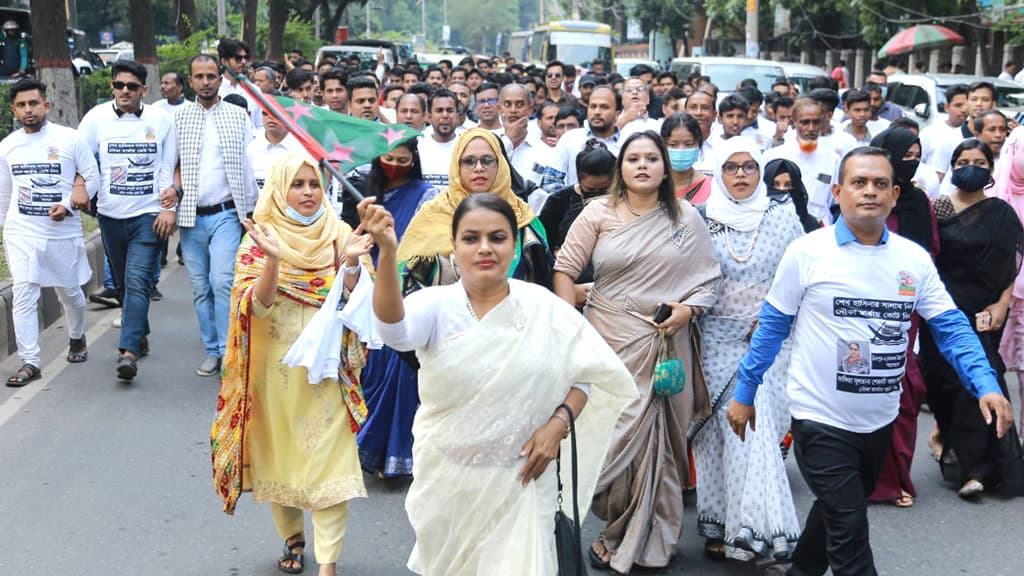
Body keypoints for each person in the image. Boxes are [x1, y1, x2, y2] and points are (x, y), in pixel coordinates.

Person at [727, 146, 1014, 575]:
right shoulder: (807, 253)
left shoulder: (912, 260)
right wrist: (745, 392)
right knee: (850, 534)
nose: (870, 192)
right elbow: (771, 327)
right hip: (819, 420)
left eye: (881, 184)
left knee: (834, 513)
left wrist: (986, 384)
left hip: (879, 419)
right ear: (839, 192)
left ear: (895, 195)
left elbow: (952, 328)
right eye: (859, 183)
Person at [365, 192, 636, 575]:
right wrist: (389, 254)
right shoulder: (435, 305)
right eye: (471, 238)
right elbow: (394, 331)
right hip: (450, 487)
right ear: (454, 247)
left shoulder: (543, 307)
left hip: (524, 485)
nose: (484, 249)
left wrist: (556, 427)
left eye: (497, 237)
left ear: (514, 246)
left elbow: (589, 377)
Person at [553, 131, 722, 573]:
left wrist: (686, 310)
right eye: (633, 159)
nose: (642, 166)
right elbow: (565, 270)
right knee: (610, 441)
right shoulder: (598, 213)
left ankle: (648, 539)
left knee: (664, 443)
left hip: (666, 341)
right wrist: (572, 323)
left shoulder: (686, 217)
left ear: (666, 167)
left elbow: (708, 279)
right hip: (607, 338)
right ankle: (616, 523)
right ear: (621, 168)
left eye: (652, 158)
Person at [211, 155, 373, 576]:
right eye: (297, 184)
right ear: (281, 190)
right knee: (279, 458)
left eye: (313, 184)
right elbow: (255, 309)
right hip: (275, 373)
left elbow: (358, 306)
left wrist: (352, 264)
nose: (306, 193)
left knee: (330, 462)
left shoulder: (341, 235)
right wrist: (273, 260)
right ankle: (294, 537)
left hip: (328, 371)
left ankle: (328, 562)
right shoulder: (261, 237)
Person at [690, 137, 804, 563]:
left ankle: (755, 529)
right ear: (717, 174)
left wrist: (773, 317)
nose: (741, 175)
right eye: (731, 167)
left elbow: (797, 274)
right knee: (717, 436)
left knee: (754, 434)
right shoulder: (700, 219)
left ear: (760, 173)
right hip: (714, 336)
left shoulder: (783, 215)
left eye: (749, 167)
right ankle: (720, 522)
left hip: (767, 339)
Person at [919, 139, 1024, 499]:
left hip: (984, 314)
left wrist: (1002, 303)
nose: (971, 166)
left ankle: (976, 468)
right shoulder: (938, 210)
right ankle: (949, 441)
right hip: (941, 311)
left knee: (979, 382)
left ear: (991, 169)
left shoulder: (1001, 212)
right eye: (963, 161)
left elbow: (1012, 264)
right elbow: (924, 261)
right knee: (943, 385)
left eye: (979, 161)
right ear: (951, 166)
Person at [78, 60, 179, 381]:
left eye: (131, 87)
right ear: (112, 87)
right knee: (122, 284)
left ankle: (128, 352)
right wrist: (81, 189)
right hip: (109, 215)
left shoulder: (161, 121)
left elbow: (167, 166)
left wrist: (168, 209)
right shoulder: (95, 119)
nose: (125, 91)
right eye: (119, 85)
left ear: (143, 90)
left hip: (148, 215)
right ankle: (140, 334)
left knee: (137, 282)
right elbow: (81, 159)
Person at [0, 78, 99, 385]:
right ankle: (30, 361)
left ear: (46, 105)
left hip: (61, 233)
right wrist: (7, 230)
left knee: (69, 293)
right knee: (25, 293)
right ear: (13, 110)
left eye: (33, 103)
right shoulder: (7, 146)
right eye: (21, 105)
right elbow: (4, 195)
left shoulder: (69, 139)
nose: (28, 110)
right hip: (21, 232)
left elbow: (92, 179)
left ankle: (77, 336)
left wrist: (69, 205)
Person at [865, 126, 940, 507]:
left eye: (916, 155)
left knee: (905, 394)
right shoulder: (866, 198)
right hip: (860, 309)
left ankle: (897, 480)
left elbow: (930, 256)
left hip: (906, 310)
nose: (910, 162)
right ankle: (861, 480)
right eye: (903, 155)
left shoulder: (920, 202)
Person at [353, 140, 438, 478]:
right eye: (389, 159)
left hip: (404, 286)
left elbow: (428, 241)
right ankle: (367, 448)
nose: (396, 166)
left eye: (403, 160)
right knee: (370, 369)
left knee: (399, 370)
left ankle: (395, 455)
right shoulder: (364, 195)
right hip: (365, 285)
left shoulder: (425, 194)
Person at [174, 53, 259, 377]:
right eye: (199, 76)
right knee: (200, 286)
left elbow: (248, 166)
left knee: (221, 281)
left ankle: (227, 352)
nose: (206, 82)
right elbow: (171, 165)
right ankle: (210, 349)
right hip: (190, 217)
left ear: (221, 78)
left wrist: (252, 213)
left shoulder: (238, 116)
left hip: (226, 214)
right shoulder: (179, 118)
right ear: (191, 80)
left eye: (211, 76)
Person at [397, 128, 552, 292]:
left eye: (487, 160)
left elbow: (544, 280)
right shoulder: (434, 213)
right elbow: (403, 280)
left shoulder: (523, 217)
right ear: (457, 165)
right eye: (469, 161)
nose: (479, 168)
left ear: (501, 164)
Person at [764, 99, 840, 223]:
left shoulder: (832, 159)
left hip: (820, 228)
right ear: (793, 122)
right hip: (782, 224)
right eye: (805, 122)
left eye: (816, 122)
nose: (811, 128)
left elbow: (834, 201)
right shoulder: (774, 156)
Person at [538, 139, 615, 256]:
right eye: (590, 190)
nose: (596, 197)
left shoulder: (624, 201)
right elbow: (545, 243)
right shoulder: (559, 201)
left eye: (603, 191)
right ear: (579, 178)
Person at [540, 85, 621, 193]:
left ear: (617, 114)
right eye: (593, 106)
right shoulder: (570, 138)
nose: (597, 112)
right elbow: (550, 181)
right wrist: (571, 204)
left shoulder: (626, 143)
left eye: (604, 107)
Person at [661, 112, 711, 202]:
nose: (681, 150)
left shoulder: (712, 187)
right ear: (663, 146)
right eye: (673, 144)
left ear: (698, 146)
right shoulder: (653, 185)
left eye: (689, 144)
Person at [763, 159, 821, 233]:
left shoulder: (812, 225)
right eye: (775, 185)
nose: (782, 189)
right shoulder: (753, 222)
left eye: (788, 185)